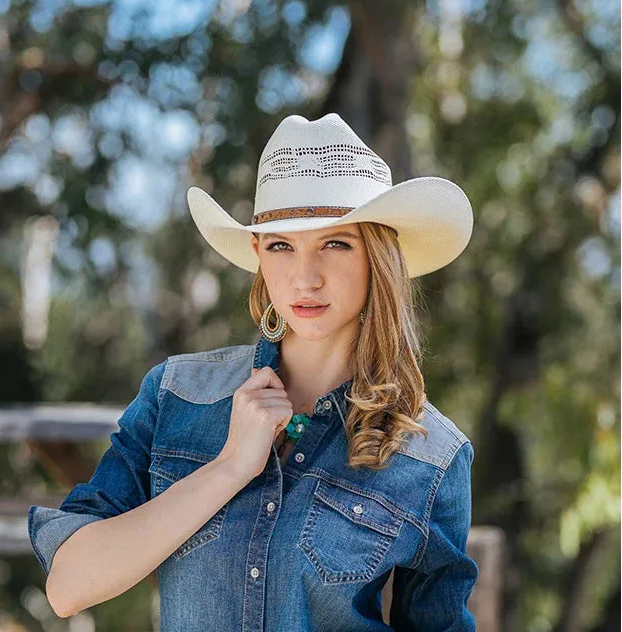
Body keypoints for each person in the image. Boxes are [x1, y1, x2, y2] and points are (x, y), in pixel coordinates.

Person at [28, 112, 479, 630]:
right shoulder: (176, 396)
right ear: (257, 255)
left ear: (378, 255)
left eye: (336, 243)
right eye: (281, 245)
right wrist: (230, 468)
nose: (304, 278)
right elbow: (68, 586)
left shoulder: (431, 457)